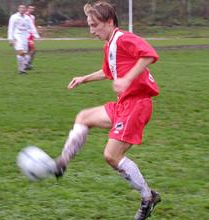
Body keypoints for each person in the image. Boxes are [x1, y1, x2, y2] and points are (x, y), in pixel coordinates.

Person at [55, 1, 161, 219]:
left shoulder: (123, 38)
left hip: (137, 104)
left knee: (111, 156)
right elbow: (108, 71)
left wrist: (128, 79)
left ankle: (148, 197)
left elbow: (149, 54)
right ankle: (61, 163)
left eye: (94, 25)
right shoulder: (109, 45)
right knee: (83, 117)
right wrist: (84, 78)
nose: (91, 30)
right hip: (124, 104)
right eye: (89, 25)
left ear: (109, 22)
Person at [7, 4, 39, 74]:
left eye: (24, 8)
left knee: (24, 54)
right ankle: (22, 69)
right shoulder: (14, 17)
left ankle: (22, 69)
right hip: (17, 37)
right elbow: (10, 28)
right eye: (21, 8)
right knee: (21, 52)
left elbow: (32, 27)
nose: (22, 9)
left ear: (25, 9)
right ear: (18, 9)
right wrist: (10, 39)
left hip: (25, 37)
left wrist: (36, 35)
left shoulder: (27, 18)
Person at [25, 5, 40, 69]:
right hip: (25, 35)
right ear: (27, 9)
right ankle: (26, 64)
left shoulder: (32, 17)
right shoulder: (24, 16)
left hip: (31, 35)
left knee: (31, 50)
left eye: (33, 9)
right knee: (32, 50)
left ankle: (28, 64)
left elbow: (33, 26)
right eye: (30, 8)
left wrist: (36, 34)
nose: (32, 10)